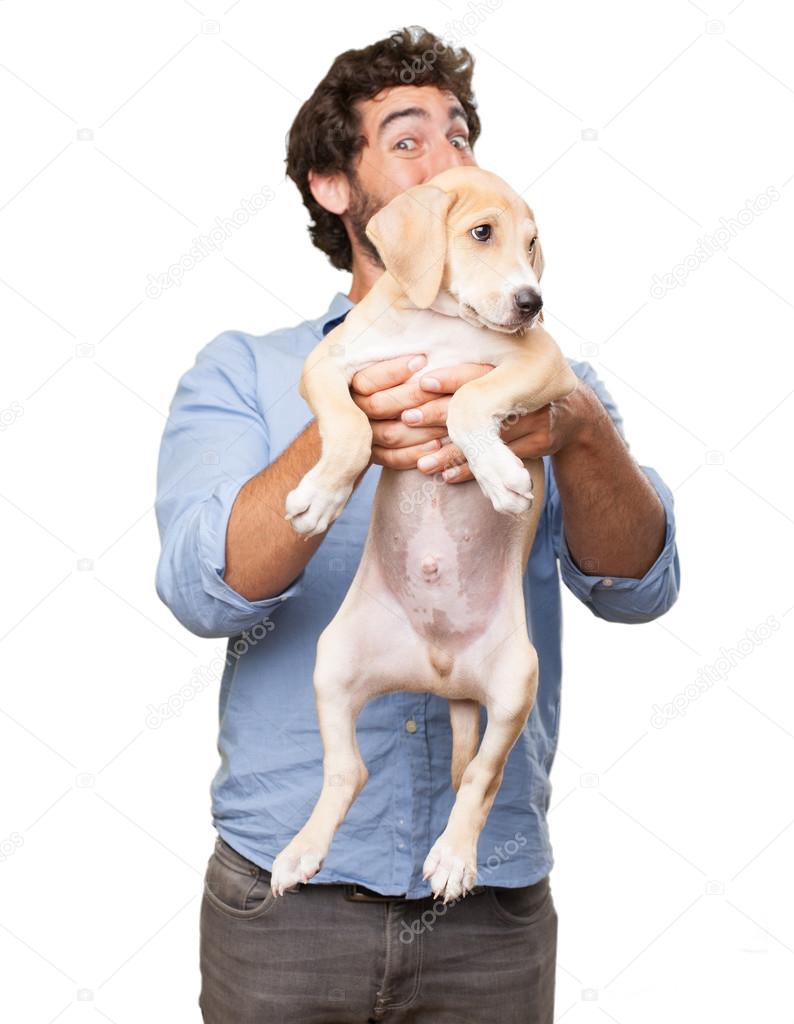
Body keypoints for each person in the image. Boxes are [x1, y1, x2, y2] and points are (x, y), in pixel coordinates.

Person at [154, 25, 680, 1024]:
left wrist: (579, 431)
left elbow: (637, 584)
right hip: (290, 899)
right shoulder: (246, 371)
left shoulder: (550, 379)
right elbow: (202, 588)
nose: (450, 158)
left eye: (463, 133)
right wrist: (340, 433)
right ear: (331, 186)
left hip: (487, 905)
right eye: (407, 139)